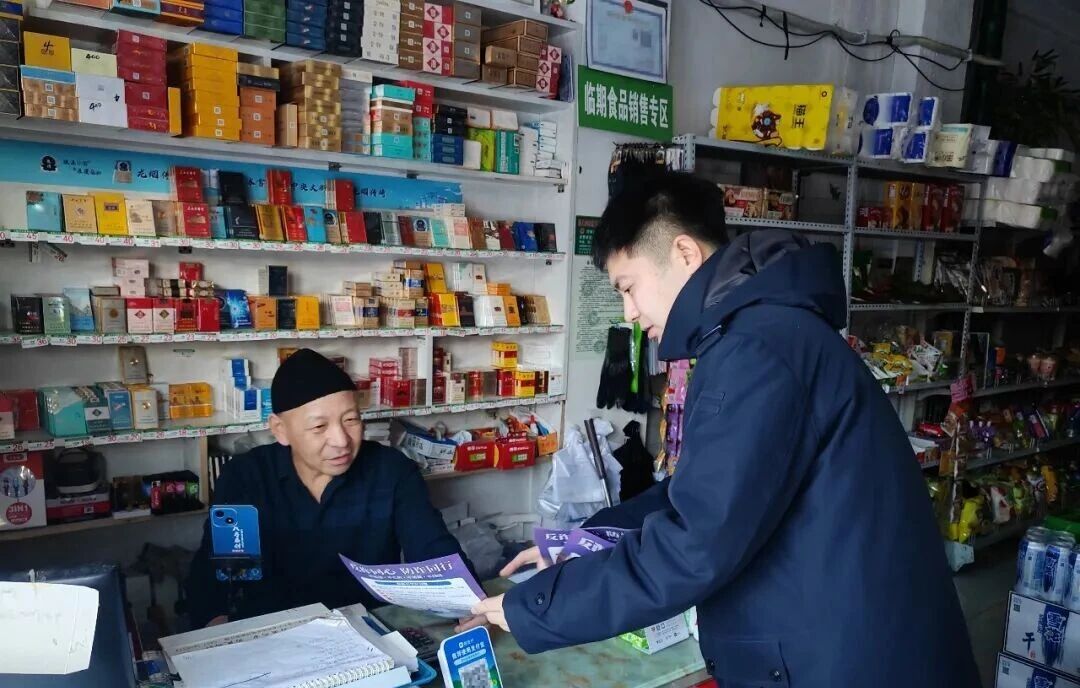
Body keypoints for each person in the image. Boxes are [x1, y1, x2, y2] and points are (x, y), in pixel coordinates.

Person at [468, 170, 981, 686]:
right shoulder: (761, 331)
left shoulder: (756, 350)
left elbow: (696, 543)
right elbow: (706, 493)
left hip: (846, 659)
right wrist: (584, 540)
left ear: (685, 254)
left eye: (629, 288)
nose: (630, 312)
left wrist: (536, 607)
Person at [187, 348, 470, 627]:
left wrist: (468, 602)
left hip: (370, 627)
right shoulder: (247, 477)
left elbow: (434, 549)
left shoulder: (391, 470)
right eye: (319, 427)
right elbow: (222, 569)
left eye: (351, 420)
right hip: (274, 632)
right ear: (280, 430)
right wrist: (215, 623)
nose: (341, 440)